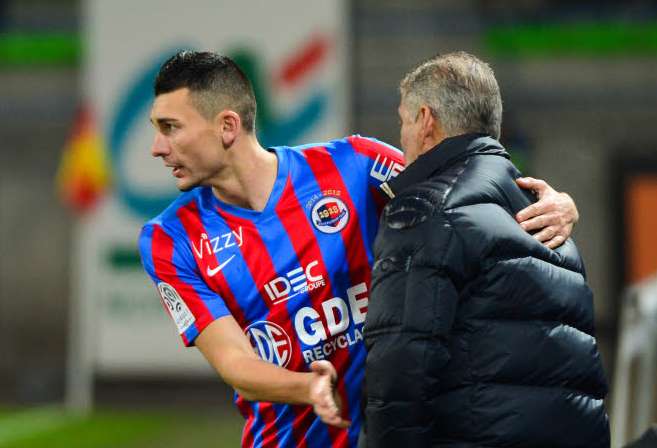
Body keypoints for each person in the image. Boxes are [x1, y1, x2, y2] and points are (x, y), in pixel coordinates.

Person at [138, 51, 580, 448]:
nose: (157, 148)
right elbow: (235, 362)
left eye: (170, 128)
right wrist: (306, 387)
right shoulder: (168, 240)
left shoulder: (354, 163)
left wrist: (557, 202)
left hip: (400, 432)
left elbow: (466, 189)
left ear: (227, 126)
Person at [364, 51, 610, 447]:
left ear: (426, 120)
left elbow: (402, 367)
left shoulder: (426, 209)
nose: (401, 138)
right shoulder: (553, 220)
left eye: (403, 122)